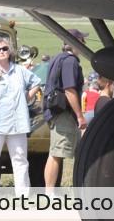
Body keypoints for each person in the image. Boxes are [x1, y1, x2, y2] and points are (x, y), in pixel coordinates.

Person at [0, 36, 42, 194]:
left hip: (17, 123)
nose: (2, 52)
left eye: (5, 48)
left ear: (9, 51)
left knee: (20, 160)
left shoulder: (20, 71)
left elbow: (37, 82)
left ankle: (23, 195)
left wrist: (27, 97)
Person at [43, 29, 87, 191]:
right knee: (56, 153)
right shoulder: (70, 61)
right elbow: (69, 90)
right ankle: (49, 193)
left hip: (57, 112)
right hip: (64, 113)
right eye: (82, 40)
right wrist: (80, 116)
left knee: (56, 152)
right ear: (75, 42)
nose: (84, 44)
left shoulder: (57, 58)